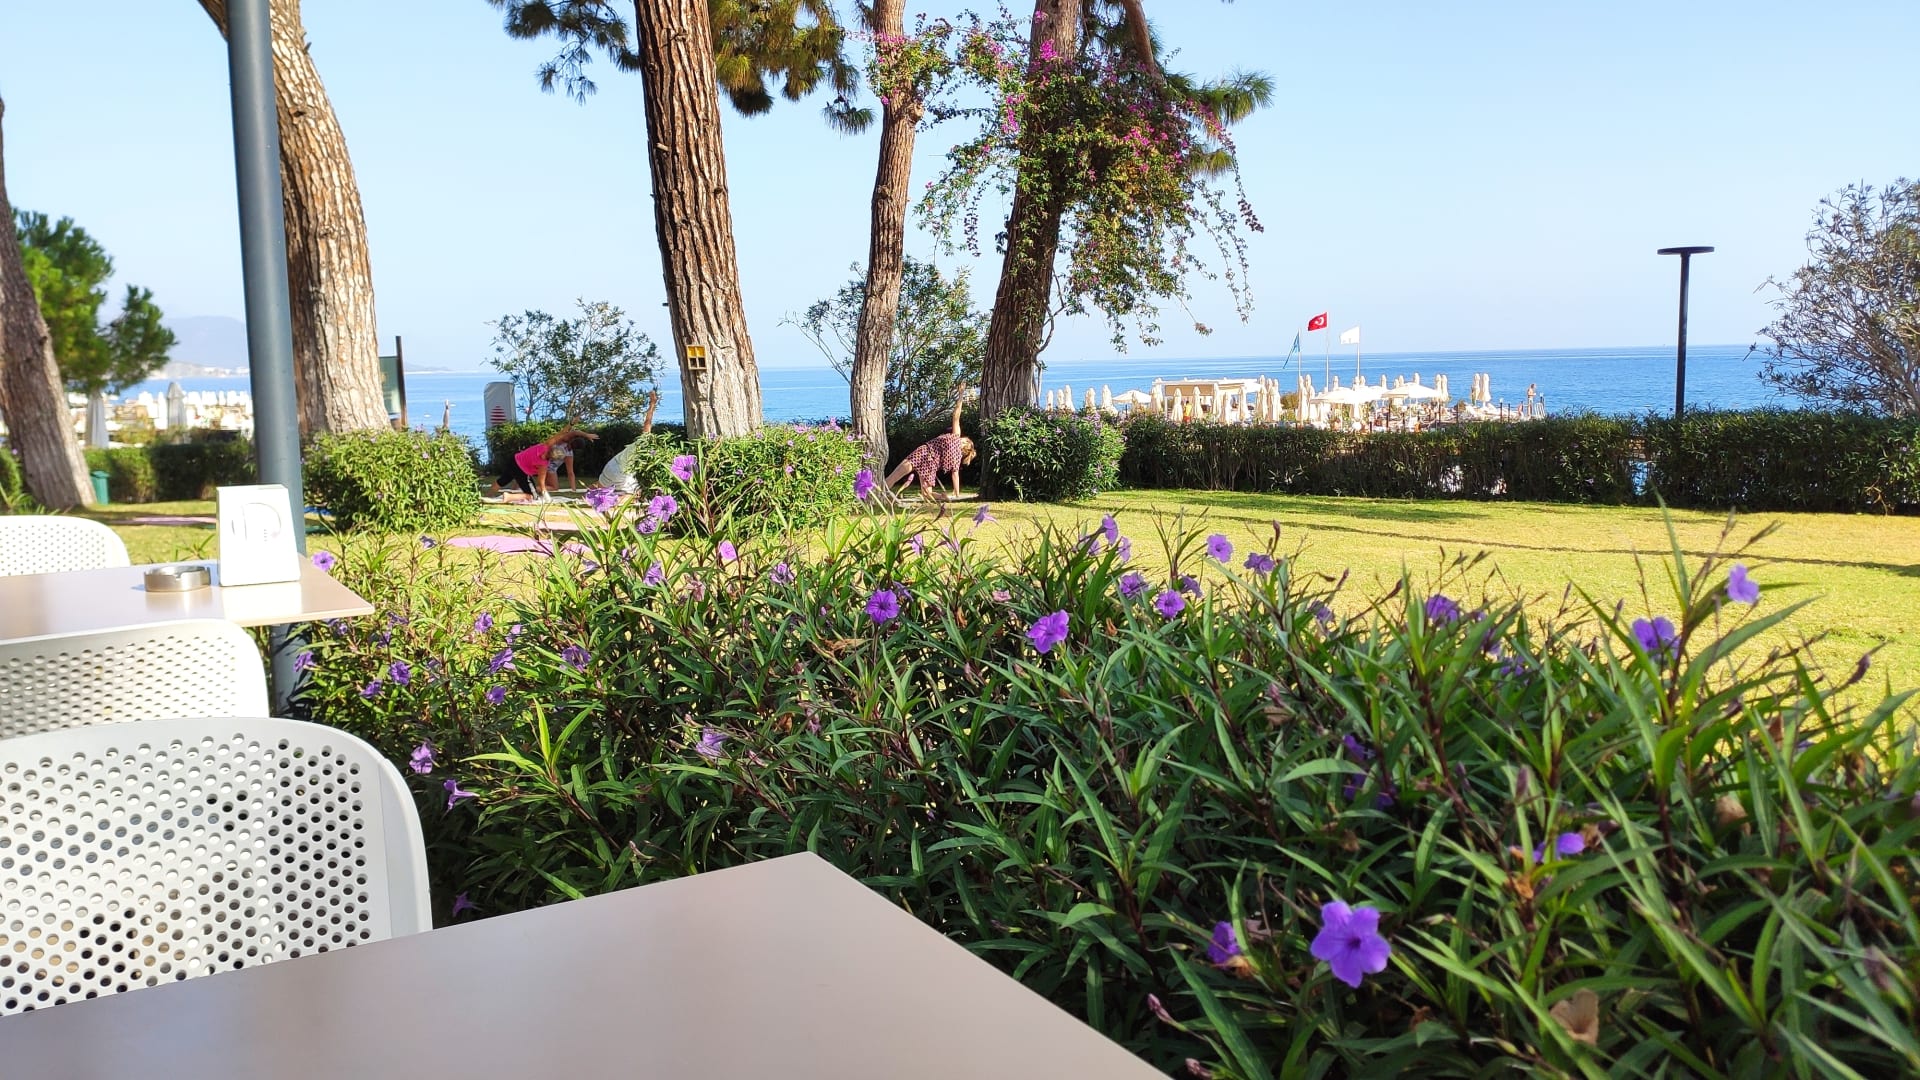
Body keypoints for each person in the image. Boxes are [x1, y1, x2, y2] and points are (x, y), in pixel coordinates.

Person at [884, 385, 975, 509]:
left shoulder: (955, 436)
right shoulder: (957, 458)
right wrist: (957, 493)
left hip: (923, 453)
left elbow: (956, 415)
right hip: (931, 465)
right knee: (927, 494)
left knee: (895, 475)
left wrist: (960, 394)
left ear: (965, 443)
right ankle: (942, 497)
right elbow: (955, 475)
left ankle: (875, 494)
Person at [488, 424, 597, 502]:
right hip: (522, 471)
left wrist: (571, 424)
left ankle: (488, 496)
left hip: (514, 459)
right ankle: (508, 497)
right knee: (533, 497)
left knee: (502, 481)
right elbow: (541, 483)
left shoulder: (545, 445)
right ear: (553, 459)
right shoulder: (543, 465)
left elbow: (562, 433)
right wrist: (546, 496)